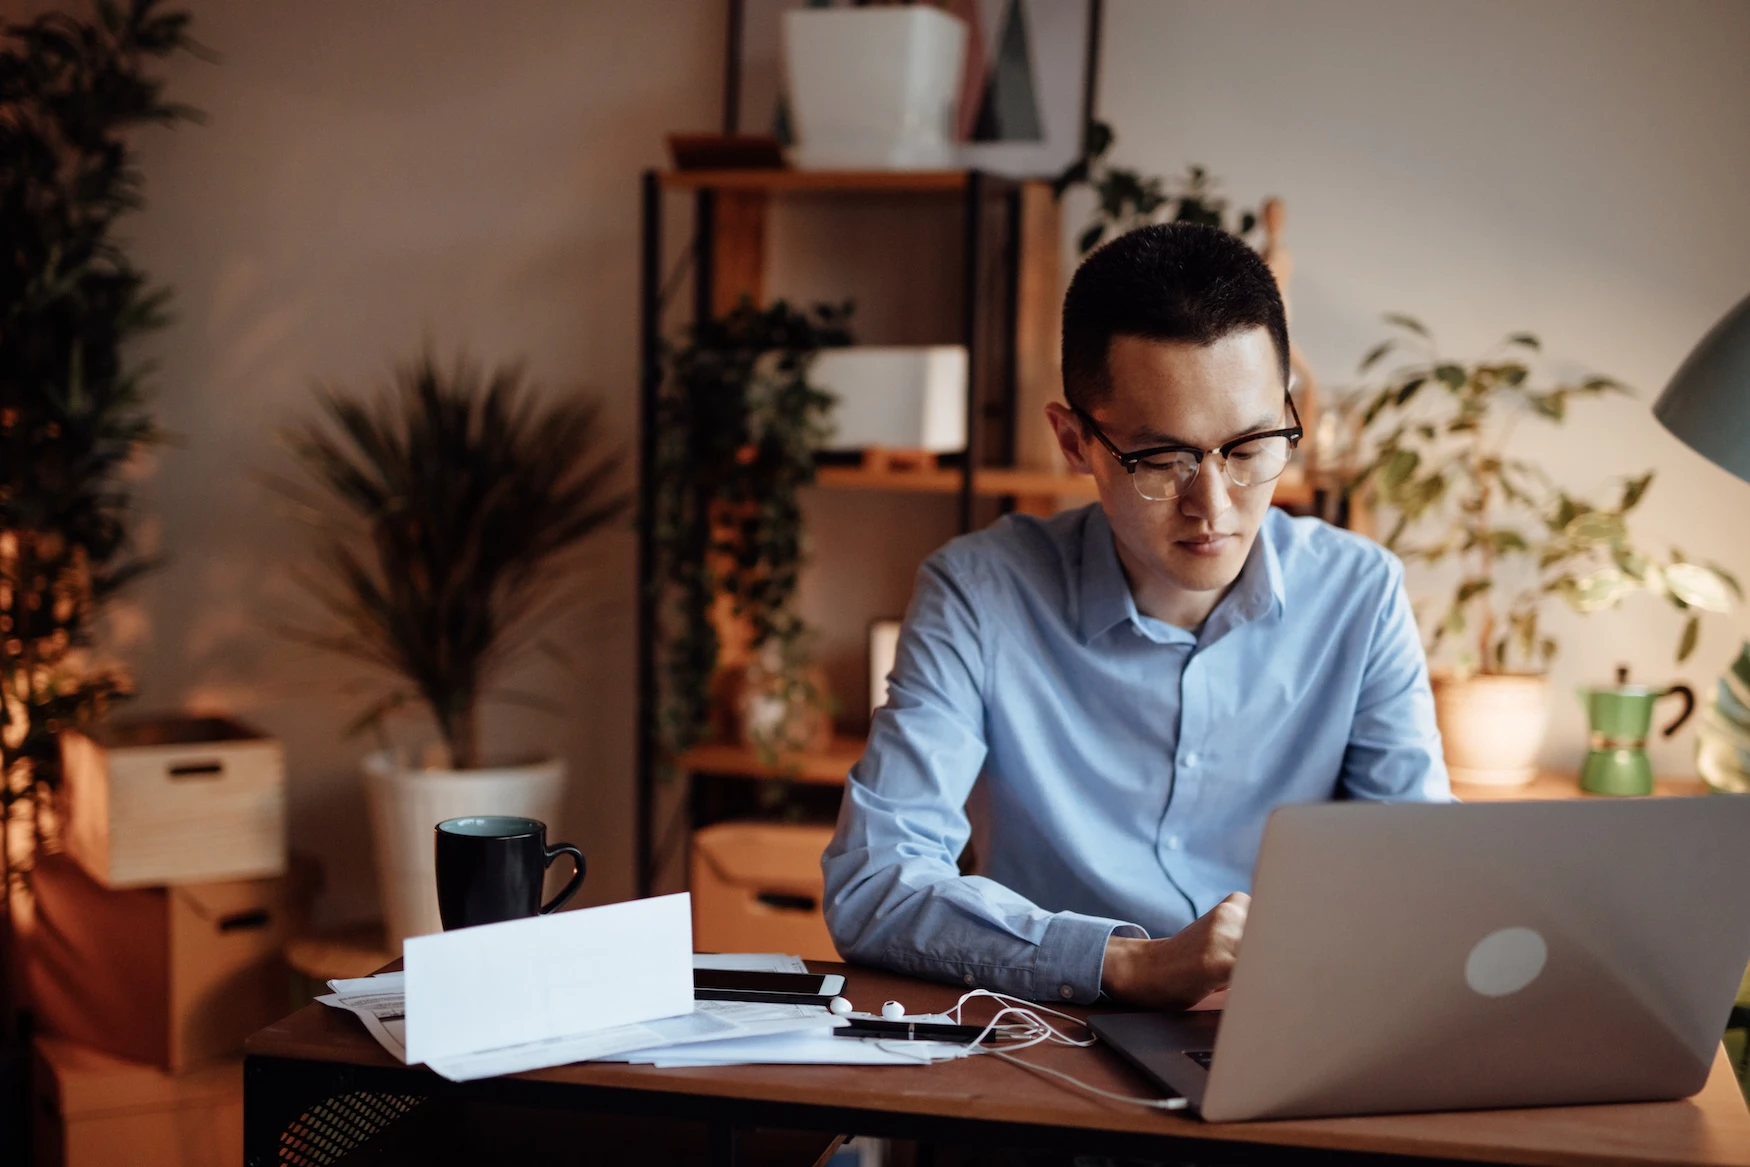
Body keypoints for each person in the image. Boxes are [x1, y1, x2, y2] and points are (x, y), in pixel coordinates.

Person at [821, 222, 1450, 1010]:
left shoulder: (1359, 593)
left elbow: (1422, 880)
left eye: (1251, 446)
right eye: (1163, 459)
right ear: (1074, 441)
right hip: (1051, 1039)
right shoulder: (980, 592)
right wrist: (1126, 964)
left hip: (1284, 1036)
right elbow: (876, 882)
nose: (1213, 506)